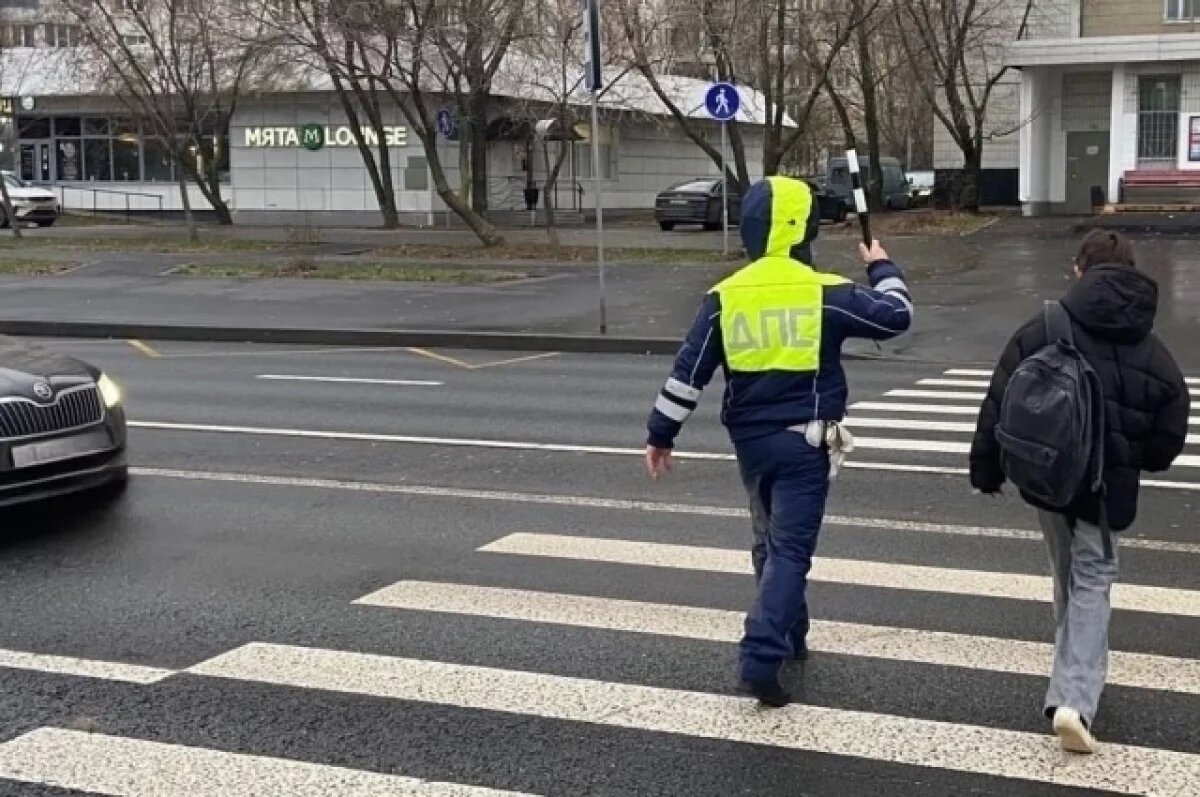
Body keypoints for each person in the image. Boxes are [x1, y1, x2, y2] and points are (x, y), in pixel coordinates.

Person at [643, 175, 913, 707]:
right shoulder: (824, 292)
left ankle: (792, 636)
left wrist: (661, 434)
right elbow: (897, 317)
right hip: (805, 443)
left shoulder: (726, 295)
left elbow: (688, 373)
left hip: (751, 444)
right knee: (790, 551)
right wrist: (882, 266)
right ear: (802, 229)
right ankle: (760, 657)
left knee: (768, 542)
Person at [969, 229, 1189, 754]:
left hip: (1049, 478)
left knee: (1068, 575)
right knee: (1093, 580)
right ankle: (1074, 699)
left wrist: (987, 468)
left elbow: (1000, 395)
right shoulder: (1150, 347)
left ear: (1078, 270)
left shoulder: (1045, 327)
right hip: (1107, 492)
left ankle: (1076, 672)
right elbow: (1170, 425)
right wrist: (1139, 457)